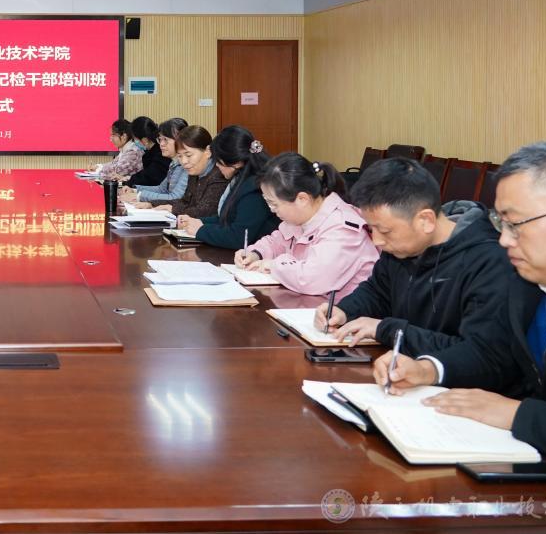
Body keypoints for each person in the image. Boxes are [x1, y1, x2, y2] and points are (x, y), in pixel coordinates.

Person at [396, 143, 546, 477]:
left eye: (516, 224)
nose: (504, 240)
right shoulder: (528, 282)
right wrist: (428, 369)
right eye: (500, 223)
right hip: (538, 467)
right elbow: (493, 352)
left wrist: (518, 415)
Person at [315, 156, 514, 390]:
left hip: (460, 391)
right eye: (371, 229)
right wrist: (344, 310)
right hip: (404, 376)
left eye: (384, 231)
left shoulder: (489, 261)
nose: (377, 241)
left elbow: (478, 355)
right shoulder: (401, 249)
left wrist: (386, 329)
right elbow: (377, 291)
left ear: (426, 220)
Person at [234, 152, 378, 297]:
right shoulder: (300, 218)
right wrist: (255, 254)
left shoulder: (343, 228)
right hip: (307, 304)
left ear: (302, 199)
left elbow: (312, 279)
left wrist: (274, 265)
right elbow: (275, 241)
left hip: (339, 309)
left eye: (274, 204)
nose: (272, 210)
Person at [185, 125, 279, 247]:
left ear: (237, 163)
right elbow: (229, 218)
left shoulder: (255, 188)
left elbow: (239, 237)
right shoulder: (241, 178)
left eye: (219, 161)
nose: (217, 165)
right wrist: (200, 222)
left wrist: (200, 230)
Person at [157, 125, 231, 222]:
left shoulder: (219, 174)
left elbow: (205, 211)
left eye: (188, 155)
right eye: (180, 156)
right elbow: (185, 202)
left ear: (208, 151)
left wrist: (173, 209)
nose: (184, 162)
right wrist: (151, 204)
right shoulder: (195, 171)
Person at [122, 117, 188, 203]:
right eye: (160, 139)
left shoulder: (187, 165)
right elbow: (161, 189)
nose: (161, 144)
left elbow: (175, 198)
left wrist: (139, 196)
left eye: (166, 140)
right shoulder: (174, 163)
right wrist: (135, 189)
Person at [123, 116, 169, 187]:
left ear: (145, 140)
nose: (134, 142)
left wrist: (130, 181)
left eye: (135, 139)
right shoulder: (150, 152)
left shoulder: (162, 153)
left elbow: (149, 176)